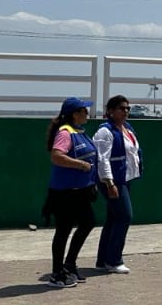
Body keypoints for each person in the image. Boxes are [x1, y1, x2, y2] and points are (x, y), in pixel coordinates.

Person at [41, 97, 99, 288]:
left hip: (80, 192)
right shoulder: (65, 133)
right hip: (64, 193)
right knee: (63, 230)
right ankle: (57, 274)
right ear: (75, 114)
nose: (87, 114)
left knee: (88, 222)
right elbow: (57, 156)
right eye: (84, 111)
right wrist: (80, 165)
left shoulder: (79, 132)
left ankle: (70, 265)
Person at [94, 94, 143, 274]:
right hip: (113, 181)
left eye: (127, 108)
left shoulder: (127, 128)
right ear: (110, 111)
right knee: (124, 216)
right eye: (121, 108)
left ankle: (103, 260)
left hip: (125, 178)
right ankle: (114, 260)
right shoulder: (105, 132)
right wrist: (110, 183)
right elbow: (102, 159)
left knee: (113, 218)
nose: (126, 111)